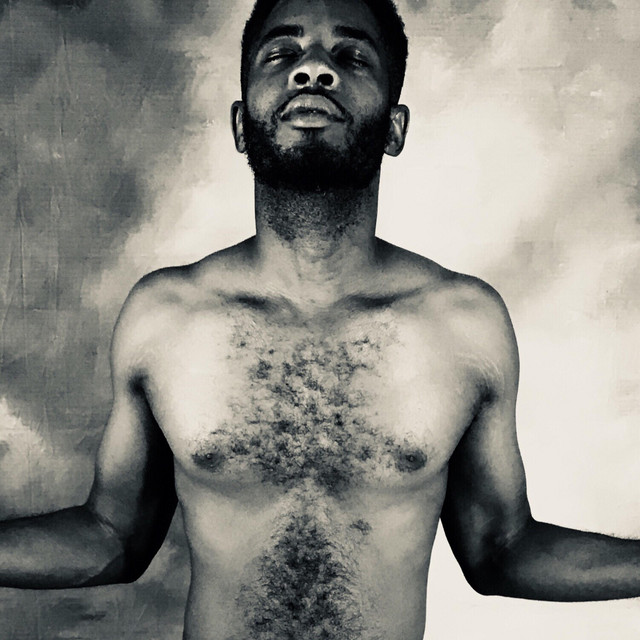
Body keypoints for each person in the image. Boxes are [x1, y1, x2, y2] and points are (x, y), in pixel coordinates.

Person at [1, 0, 639, 638]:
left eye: (351, 56)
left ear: (394, 129)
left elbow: (501, 549)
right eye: (281, 53)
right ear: (240, 125)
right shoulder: (166, 316)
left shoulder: (463, 324)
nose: (312, 70)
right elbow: (113, 536)